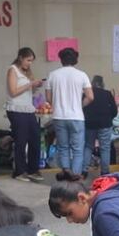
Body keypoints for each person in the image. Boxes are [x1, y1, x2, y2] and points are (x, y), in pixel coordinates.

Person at [45, 47, 93, 180]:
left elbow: (48, 98)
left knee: (63, 146)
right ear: (75, 59)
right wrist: (80, 105)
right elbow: (90, 96)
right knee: (78, 149)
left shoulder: (52, 75)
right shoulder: (82, 75)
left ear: (61, 59)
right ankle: (76, 175)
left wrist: (57, 105)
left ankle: (66, 171)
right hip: (77, 117)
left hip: (59, 117)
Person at [4, 47, 45, 182]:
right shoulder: (12, 70)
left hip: (28, 108)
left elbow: (29, 92)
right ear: (21, 57)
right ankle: (19, 171)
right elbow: (13, 91)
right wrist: (29, 85)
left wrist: (35, 86)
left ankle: (33, 169)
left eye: (32, 61)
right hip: (16, 109)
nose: (29, 63)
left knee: (35, 137)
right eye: (28, 60)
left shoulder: (28, 72)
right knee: (21, 139)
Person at [83, 75, 118, 177]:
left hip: (90, 124)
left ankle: (84, 171)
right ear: (102, 84)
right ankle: (105, 172)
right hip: (105, 124)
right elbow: (114, 111)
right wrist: (109, 118)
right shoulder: (107, 94)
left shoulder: (87, 94)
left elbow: (83, 107)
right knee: (105, 148)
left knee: (88, 146)